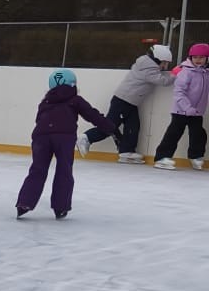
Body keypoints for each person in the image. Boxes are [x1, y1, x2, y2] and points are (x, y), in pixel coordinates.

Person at [16, 71, 110, 218]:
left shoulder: (45, 101)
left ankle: (24, 203)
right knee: (64, 171)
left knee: (37, 170)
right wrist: (110, 127)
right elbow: (92, 115)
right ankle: (60, 207)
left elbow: (39, 120)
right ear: (72, 84)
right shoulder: (75, 100)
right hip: (64, 138)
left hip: (41, 137)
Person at [81, 41, 175, 161]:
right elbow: (163, 81)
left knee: (133, 126)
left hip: (130, 102)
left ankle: (126, 151)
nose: (165, 67)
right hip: (123, 101)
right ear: (157, 59)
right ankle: (87, 137)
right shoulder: (148, 69)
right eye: (165, 63)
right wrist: (176, 74)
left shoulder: (146, 64)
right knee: (111, 126)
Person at [153, 43, 209, 168]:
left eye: (201, 57)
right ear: (190, 58)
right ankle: (162, 157)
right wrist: (187, 108)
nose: (198, 60)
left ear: (207, 58)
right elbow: (179, 92)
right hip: (181, 111)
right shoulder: (186, 72)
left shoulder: (206, 73)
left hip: (197, 112)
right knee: (174, 133)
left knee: (199, 134)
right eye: (195, 57)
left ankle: (195, 156)